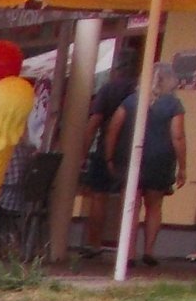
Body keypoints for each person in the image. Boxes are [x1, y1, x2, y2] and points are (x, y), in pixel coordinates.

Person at [110, 73, 187, 266]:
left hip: (131, 159)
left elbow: (114, 129)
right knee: (154, 206)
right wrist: (183, 166)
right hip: (160, 160)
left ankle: (129, 253)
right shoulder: (173, 104)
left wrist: (109, 156)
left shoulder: (130, 101)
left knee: (131, 207)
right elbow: (178, 136)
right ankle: (149, 251)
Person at [79, 60, 139, 253]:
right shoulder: (140, 92)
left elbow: (94, 122)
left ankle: (94, 243)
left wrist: (83, 152)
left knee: (99, 197)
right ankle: (126, 248)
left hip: (106, 148)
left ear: (115, 71)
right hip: (133, 150)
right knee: (129, 201)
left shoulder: (107, 90)